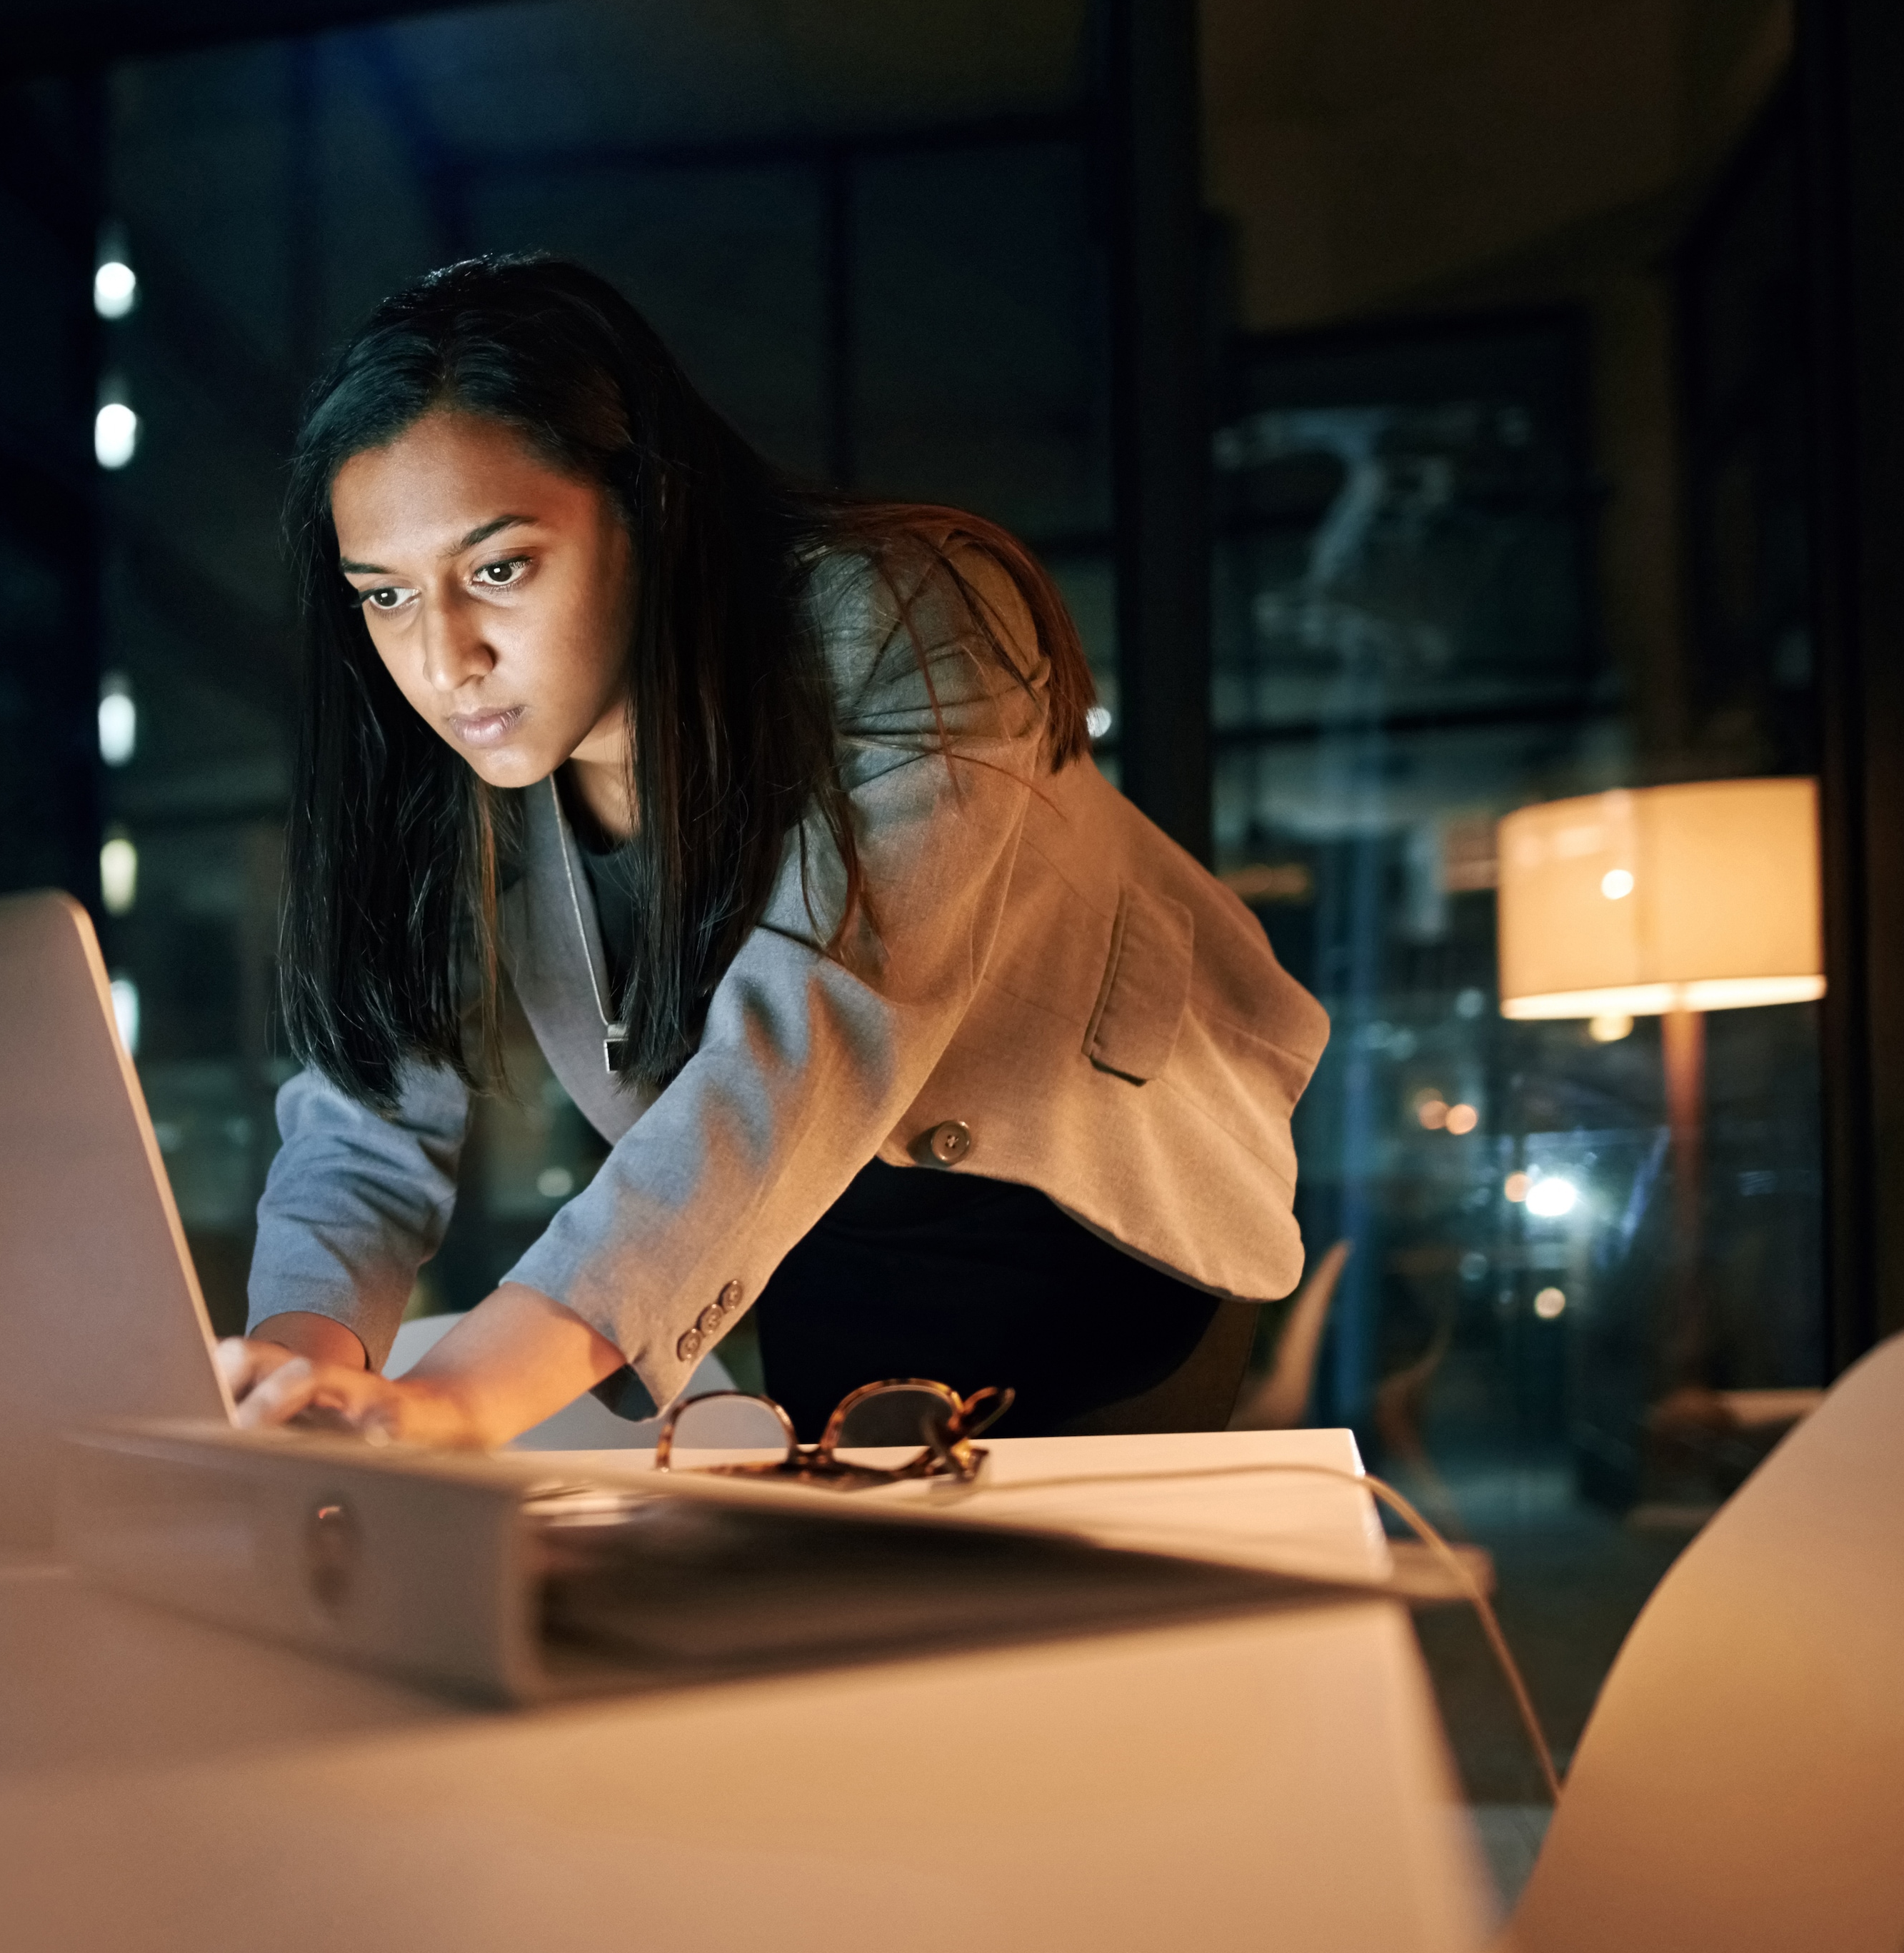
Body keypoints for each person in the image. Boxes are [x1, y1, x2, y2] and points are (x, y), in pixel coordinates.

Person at [221, 254, 1327, 1450]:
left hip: (1097, 1220)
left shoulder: (905, 619)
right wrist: (293, 1385)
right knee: (857, 1618)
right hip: (820, 1230)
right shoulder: (457, 761)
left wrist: (457, 1398)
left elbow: (813, 1027)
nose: (446, 658)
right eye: (384, 596)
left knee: (1071, 1625)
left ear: (644, 504)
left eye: (499, 567)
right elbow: (368, 1126)